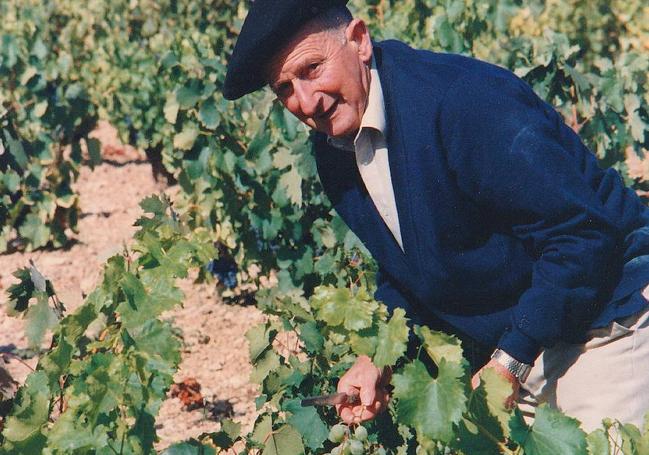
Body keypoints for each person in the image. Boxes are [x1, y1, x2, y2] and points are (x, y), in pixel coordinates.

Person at [223, 0, 649, 431]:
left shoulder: (462, 104)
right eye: (284, 89)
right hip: (521, 330)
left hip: (604, 314)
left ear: (359, 40)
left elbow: (584, 238)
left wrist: (511, 358)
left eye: (312, 68)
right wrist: (380, 358)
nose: (307, 101)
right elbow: (413, 264)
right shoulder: (335, 147)